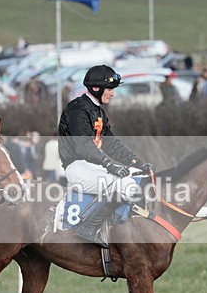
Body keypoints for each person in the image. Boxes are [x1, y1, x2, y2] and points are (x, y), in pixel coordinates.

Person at [58, 65, 154, 248]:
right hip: (77, 167)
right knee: (125, 185)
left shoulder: (98, 112)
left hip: (93, 167)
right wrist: (109, 165)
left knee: (136, 176)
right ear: (96, 88)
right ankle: (88, 228)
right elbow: (84, 146)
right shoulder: (77, 110)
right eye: (109, 89)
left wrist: (138, 163)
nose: (112, 93)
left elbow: (112, 145)